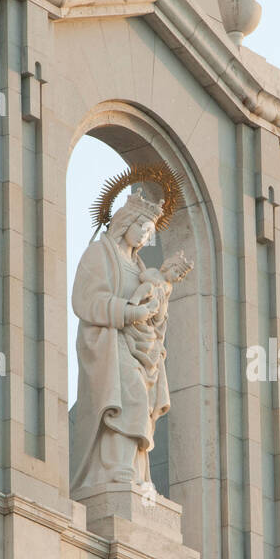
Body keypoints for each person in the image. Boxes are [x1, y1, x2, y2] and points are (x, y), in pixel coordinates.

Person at [70, 189, 190, 495]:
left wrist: (156, 313)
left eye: (150, 232)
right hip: (108, 343)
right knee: (126, 398)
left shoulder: (139, 267)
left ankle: (133, 472)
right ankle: (113, 468)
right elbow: (86, 300)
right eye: (142, 228)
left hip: (140, 348)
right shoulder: (99, 253)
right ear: (126, 222)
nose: (145, 236)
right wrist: (129, 312)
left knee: (139, 403)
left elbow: (153, 313)